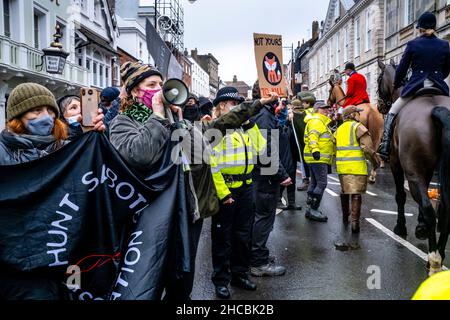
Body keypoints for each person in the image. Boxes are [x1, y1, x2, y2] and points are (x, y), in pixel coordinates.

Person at [0, 82, 105, 299]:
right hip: (17, 264)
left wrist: (93, 140)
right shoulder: (3, 151)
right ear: (17, 116)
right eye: (36, 110)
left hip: (63, 257)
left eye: (50, 111)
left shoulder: (65, 149)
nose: (45, 117)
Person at [209, 86, 268, 300]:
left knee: (244, 235)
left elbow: (262, 149)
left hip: (246, 188)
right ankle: (221, 280)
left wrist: (249, 123)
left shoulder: (244, 128)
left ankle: (240, 274)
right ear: (222, 106)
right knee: (223, 237)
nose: (240, 108)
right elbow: (211, 164)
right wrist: (223, 193)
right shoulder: (215, 129)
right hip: (226, 188)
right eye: (235, 104)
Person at [377, 11, 450, 160]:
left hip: (416, 86)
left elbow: (402, 70)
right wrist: (438, 77)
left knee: (392, 111)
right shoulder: (444, 44)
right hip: (439, 87)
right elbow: (446, 70)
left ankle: (385, 145)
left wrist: (397, 83)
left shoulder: (413, 44)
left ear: (420, 28)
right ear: (435, 27)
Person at [250, 84, 292, 278]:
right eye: (278, 92)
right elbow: (266, 150)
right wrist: (282, 174)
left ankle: (258, 255)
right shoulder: (264, 115)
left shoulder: (262, 112)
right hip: (265, 175)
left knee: (260, 216)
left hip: (262, 173)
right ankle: (258, 262)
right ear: (268, 94)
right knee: (264, 217)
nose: (281, 95)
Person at [334, 106, 380, 233]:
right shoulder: (358, 127)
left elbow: (334, 145)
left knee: (344, 191)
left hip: (342, 167)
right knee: (356, 194)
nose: (359, 115)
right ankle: (355, 223)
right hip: (357, 166)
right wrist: (375, 162)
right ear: (353, 115)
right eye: (358, 113)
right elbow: (367, 149)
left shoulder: (339, 129)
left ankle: (345, 217)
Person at [303, 101, 334, 222]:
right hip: (318, 157)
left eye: (327, 109)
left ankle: (310, 208)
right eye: (323, 109)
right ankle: (313, 209)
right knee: (321, 183)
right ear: (317, 110)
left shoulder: (319, 121)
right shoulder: (317, 121)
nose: (326, 111)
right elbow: (313, 137)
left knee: (314, 183)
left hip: (315, 157)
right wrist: (315, 150)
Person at [276, 99, 301, 211]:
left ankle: (291, 202)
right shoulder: (277, 116)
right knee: (284, 176)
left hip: (291, 152)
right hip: (282, 150)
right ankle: (278, 199)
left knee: (292, 178)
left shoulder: (289, 120)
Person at [293, 91, 316, 191]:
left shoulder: (305, 113)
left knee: (304, 160)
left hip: (307, 140)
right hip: (316, 140)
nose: (300, 105)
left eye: (302, 102)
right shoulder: (316, 111)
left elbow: (299, 121)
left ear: (307, 103)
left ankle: (306, 180)